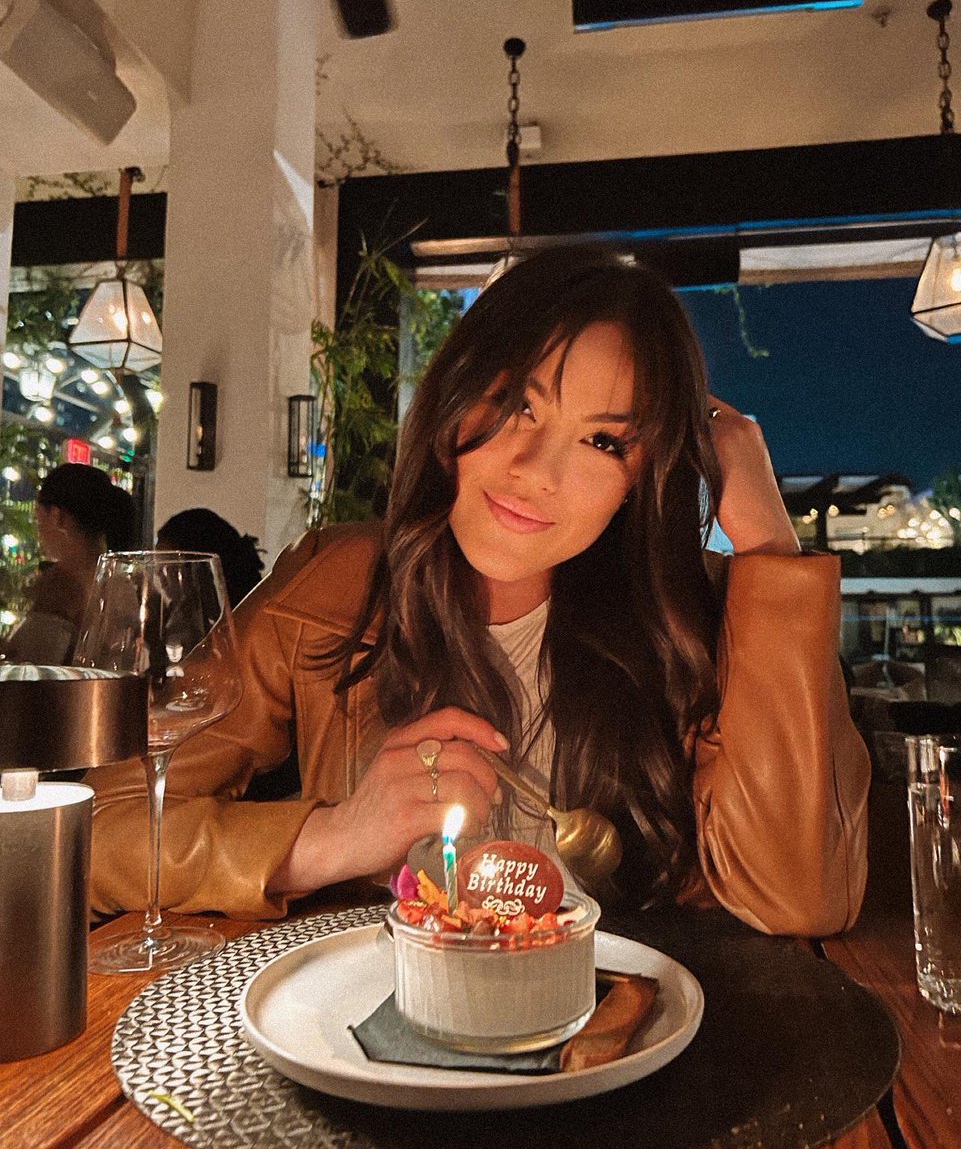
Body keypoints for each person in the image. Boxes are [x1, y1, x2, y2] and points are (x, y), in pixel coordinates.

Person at [87, 248, 870, 935]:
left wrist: (769, 547)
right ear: (456, 395)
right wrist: (335, 838)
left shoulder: (704, 613)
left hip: (630, 1027)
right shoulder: (336, 584)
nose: (536, 471)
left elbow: (802, 898)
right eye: (518, 404)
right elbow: (103, 831)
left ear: (643, 474)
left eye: (602, 440)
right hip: (379, 1024)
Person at [2, 463, 136, 665]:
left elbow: (33, 663)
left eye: (38, 519)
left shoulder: (60, 583)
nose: (39, 532)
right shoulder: (124, 580)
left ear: (57, 517)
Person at [155, 507, 264, 610]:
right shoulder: (181, 613)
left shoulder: (254, 615)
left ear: (201, 569)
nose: (161, 580)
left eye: (165, 569)